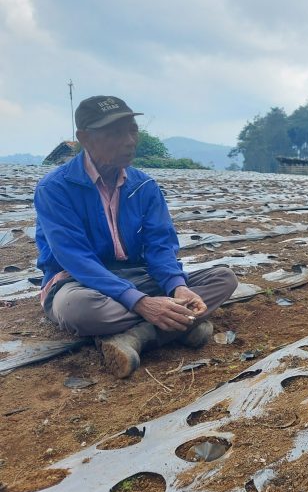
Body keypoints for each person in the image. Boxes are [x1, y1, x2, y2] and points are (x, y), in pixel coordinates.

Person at [34, 95, 238, 379]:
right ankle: (182, 324)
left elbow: (160, 245)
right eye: (116, 133)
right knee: (78, 310)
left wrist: (177, 286)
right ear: (85, 138)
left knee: (224, 279)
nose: (129, 140)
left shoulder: (145, 186)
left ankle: (137, 336)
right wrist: (143, 303)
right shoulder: (55, 189)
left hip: (137, 275)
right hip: (80, 282)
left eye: (132, 130)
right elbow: (76, 259)